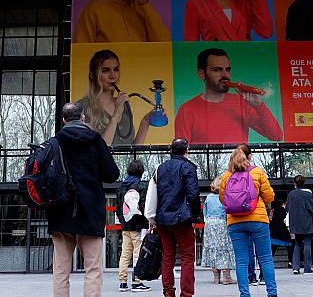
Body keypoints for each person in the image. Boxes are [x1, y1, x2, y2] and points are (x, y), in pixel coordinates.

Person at [47, 103, 120, 297]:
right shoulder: (95, 141)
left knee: (60, 271)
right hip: (90, 212)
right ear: (83, 118)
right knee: (93, 270)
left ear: (63, 120)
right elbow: (112, 174)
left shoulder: (53, 143)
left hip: (60, 213)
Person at [174, 48, 283, 143]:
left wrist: (259, 105)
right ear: (202, 74)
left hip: (239, 161)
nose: (225, 75)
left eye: (227, 69)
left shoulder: (242, 103)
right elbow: (181, 152)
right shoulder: (186, 110)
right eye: (217, 70)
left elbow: (276, 136)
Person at [220, 144, 278, 297]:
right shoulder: (257, 172)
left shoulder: (227, 175)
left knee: (241, 261)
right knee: (265, 259)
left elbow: (223, 199)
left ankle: (244, 294)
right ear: (250, 157)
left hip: (235, 222)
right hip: (257, 220)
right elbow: (269, 197)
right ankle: (272, 293)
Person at [154, 138, 201, 297]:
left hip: (162, 219)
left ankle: (168, 292)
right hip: (182, 218)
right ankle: (186, 294)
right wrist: (195, 216)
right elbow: (193, 194)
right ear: (186, 150)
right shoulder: (188, 167)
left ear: (171, 150)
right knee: (187, 257)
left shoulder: (160, 168)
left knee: (168, 256)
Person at [78, 49, 153, 146]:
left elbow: (131, 150)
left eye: (116, 70)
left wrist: (146, 122)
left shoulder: (123, 105)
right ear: (92, 76)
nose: (113, 76)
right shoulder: (82, 107)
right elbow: (100, 150)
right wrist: (116, 115)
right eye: (105, 71)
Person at [116, 160, 151, 292]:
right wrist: (147, 223)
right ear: (141, 171)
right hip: (138, 226)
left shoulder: (121, 187)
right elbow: (144, 206)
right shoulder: (142, 186)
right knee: (138, 253)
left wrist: (123, 221)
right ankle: (137, 282)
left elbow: (118, 208)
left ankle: (123, 282)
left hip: (126, 227)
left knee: (125, 254)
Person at [201, 175, 236, 285]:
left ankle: (216, 277)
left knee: (213, 249)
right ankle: (226, 277)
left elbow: (205, 213)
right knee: (224, 248)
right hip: (221, 224)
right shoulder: (224, 197)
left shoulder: (208, 198)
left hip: (209, 225)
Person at [286, 175, 313, 275]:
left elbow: (287, 208)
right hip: (306, 220)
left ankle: (295, 267)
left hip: (295, 221)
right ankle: (307, 268)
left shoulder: (291, 194)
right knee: (307, 244)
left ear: (294, 183)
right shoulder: (307, 194)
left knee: (297, 244)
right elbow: (312, 208)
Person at [268, 200, 293, 269]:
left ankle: (269, 262)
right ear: (282, 204)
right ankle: (290, 262)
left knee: (273, 247)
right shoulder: (284, 211)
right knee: (289, 247)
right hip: (283, 230)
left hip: (274, 231)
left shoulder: (273, 211)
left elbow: (270, 219)